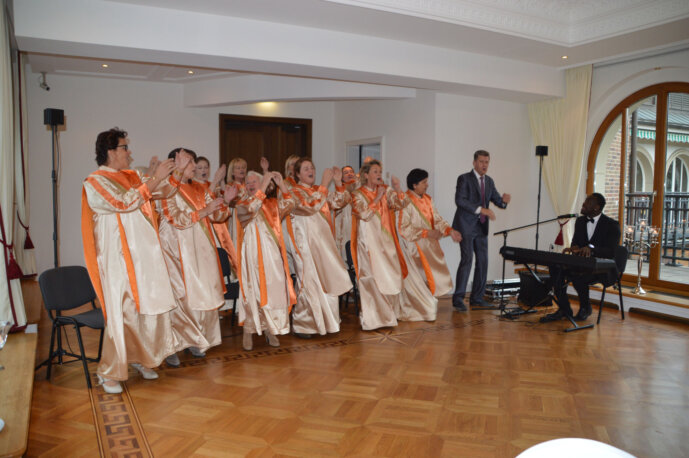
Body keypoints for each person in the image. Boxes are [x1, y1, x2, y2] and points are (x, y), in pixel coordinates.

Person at [82, 128, 186, 394]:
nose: (129, 152)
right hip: (117, 256)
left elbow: (161, 192)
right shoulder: (94, 181)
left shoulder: (133, 175)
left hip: (142, 254)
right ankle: (109, 372)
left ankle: (141, 359)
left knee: (144, 307)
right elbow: (122, 202)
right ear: (111, 152)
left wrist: (178, 173)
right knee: (122, 311)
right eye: (125, 147)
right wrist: (153, 180)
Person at [157, 148, 239, 366]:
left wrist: (227, 202)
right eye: (191, 162)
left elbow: (217, 216)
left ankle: (197, 341)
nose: (194, 166)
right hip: (176, 250)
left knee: (201, 294)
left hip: (201, 249)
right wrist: (204, 211)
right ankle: (173, 345)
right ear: (178, 163)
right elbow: (174, 218)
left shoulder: (199, 188)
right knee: (180, 297)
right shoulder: (167, 187)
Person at [289, 158, 352, 337]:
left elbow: (340, 201)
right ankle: (304, 325)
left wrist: (338, 182)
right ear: (298, 174)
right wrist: (325, 184)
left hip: (324, 244)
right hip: (305, 245)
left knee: (327, 280)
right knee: (308, 281)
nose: (311, 171)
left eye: (313, 168)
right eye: (306, 168)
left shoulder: (319, 190)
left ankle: (328, 322)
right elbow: (310, 206)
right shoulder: (293, 192)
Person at [235, 170, 296, 350]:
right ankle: (249, 330)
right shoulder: (243, 203)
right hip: (251, 253)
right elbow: (250, 210)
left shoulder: (272, 204)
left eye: (256, 181)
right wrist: (263, 186)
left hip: (272, 254)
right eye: (248, 182)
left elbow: (291, 203)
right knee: (252, 289)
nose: (251, 184)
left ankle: (271, 328)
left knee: (272, 290)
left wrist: (281, 184)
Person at [540, 193, 621, 323]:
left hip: (602, 268)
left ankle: (585, 307)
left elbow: (611, 252)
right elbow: (575, 242)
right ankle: (564, 309)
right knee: (556, 269)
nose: (583, 204)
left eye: (588, 202)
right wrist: (574, 248)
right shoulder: (580, 221)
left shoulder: (612, 225)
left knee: (578, 275)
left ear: (596, 207)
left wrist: (592, 250)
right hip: (582, 264)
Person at [350, 160, 409, 330]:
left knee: (388, 277)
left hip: (385, 242)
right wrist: (377, 198)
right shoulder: (358, 194)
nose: (379, 175)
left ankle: (387, 317)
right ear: (366, 175)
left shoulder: (386, 190)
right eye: (375, 171)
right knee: (370, 278)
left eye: (380, 172)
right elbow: (364, 214)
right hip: (368, 242)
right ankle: (372, 319)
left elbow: (400, 204)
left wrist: (397, 188)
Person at [397, 169, 462, 321]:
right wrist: (427, 233)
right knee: (417, 281)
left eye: (426, 181)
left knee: (429, 279)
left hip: (429, 248)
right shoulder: (405, 200)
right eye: (424, 182)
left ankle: (425, 309)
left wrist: (450, 230)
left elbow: (437, 220)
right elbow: (403, 228)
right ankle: (414, 310)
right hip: (413, 249)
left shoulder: (427, 199)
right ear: (414, 185)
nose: (427, 185)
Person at [452, 150, 511, 311]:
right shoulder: (464, 179)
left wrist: (505, 202)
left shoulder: (489, 181)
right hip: (465, 226)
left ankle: (477, 298)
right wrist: (481, 210)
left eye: (487, 162)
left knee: (483, 261)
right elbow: (460, 201)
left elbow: (498, 201)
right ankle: (458, 298)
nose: (484, 165)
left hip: (481, 228)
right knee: (467, 260)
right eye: (481, 162)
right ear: (474, 163)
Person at [334, 165, 357, 261]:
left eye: (351, 171)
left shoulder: (360, 191)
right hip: (344, 228)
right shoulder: (339, 193)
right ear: (342, 178)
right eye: (346, 172)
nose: (349, 174)